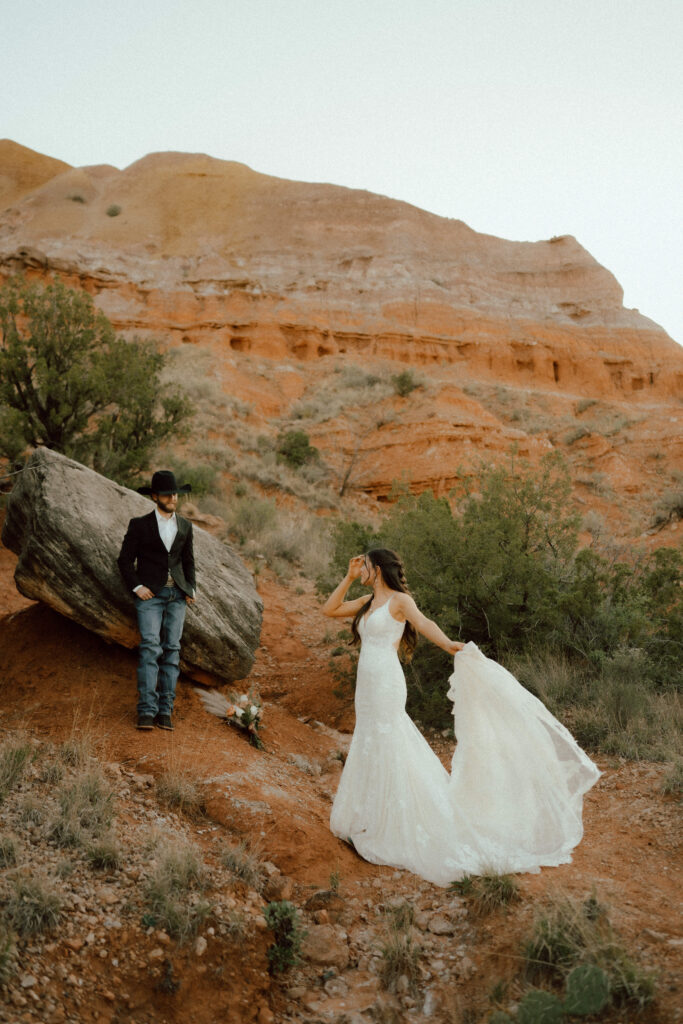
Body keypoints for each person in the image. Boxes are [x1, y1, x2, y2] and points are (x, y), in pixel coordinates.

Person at [322, 548, 600, 886]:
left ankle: (395, 824)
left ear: (377, 568)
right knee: (369, 739)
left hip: (386, 682)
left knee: (389, 738)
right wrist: (349, 578)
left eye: (363, 565)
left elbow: (424, 623)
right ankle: (371, 818)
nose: (359, 568)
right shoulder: (367, 601)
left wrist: (449, 645)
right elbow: (329, 608)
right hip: (366, 685)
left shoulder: (399, 601)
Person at [118, 470, 196, 732]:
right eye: (167, 494)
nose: (173, 497)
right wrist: (137, 586)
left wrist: (191, 588)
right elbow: (125, 561)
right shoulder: (139, 525)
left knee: (172, 650)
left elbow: (188, 561)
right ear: (155, 496)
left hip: (177, 597)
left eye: (175, 493)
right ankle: (146, 712)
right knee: (150, 647)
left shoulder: (185, 526)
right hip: (149, 595)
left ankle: (165, 711)